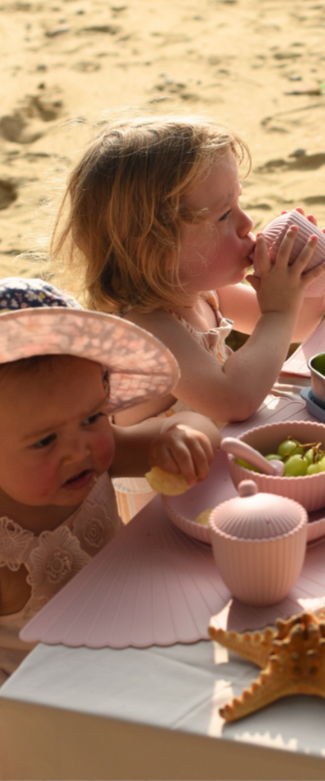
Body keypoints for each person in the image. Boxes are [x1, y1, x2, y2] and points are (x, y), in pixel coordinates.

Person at [50, 114, 325, 428]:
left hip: (228, 456)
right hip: (178, 476)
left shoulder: (201, 292)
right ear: (156, 249)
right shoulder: (143, 330)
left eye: (239, 202)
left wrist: (306, 284)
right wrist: (278, 312)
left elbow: (296, 329)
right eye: (225, 215)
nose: (247, 224)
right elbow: (234, 399)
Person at [0, 278, 221, 684]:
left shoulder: (96, 455)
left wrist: (184, 437)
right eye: (45, 440)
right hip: (51, 708)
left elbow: (197, 426)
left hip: (137, 643)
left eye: (92, 418)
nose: (78, 450)